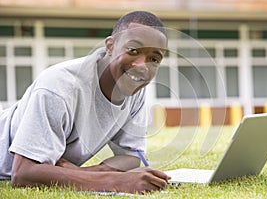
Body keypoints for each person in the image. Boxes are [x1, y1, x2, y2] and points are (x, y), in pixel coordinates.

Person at [0, 11, 170, 194]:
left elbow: (131, 157)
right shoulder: (59, 86)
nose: (142, 65)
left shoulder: (135, 90)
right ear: (110, 46)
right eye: (133, 51)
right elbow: (23, 173)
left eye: (154, 59)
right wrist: (116, 181)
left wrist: (86, 173)